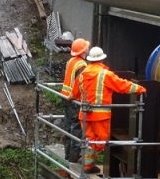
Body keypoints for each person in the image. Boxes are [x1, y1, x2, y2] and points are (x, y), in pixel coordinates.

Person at [70, 46, 146, 174]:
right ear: (102, 60)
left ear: (90, 60)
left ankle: (87, 165)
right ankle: (87, 162)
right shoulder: (105, 74)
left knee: (89, 139)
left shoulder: (83, 75)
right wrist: (140, 89)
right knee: (101, 141)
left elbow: (74, 93)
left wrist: (70, 97)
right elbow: (122, 85)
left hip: (84, 114)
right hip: (100, 115)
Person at [61, 38, 90, 163]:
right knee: (77, 128)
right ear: (83, 51)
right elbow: (81, 85)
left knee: (68, 127)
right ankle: (74, 156)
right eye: (86, 48)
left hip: (65, 97)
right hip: (74, 100)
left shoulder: (71, 61)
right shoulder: (82, 65)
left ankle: (67, 154)